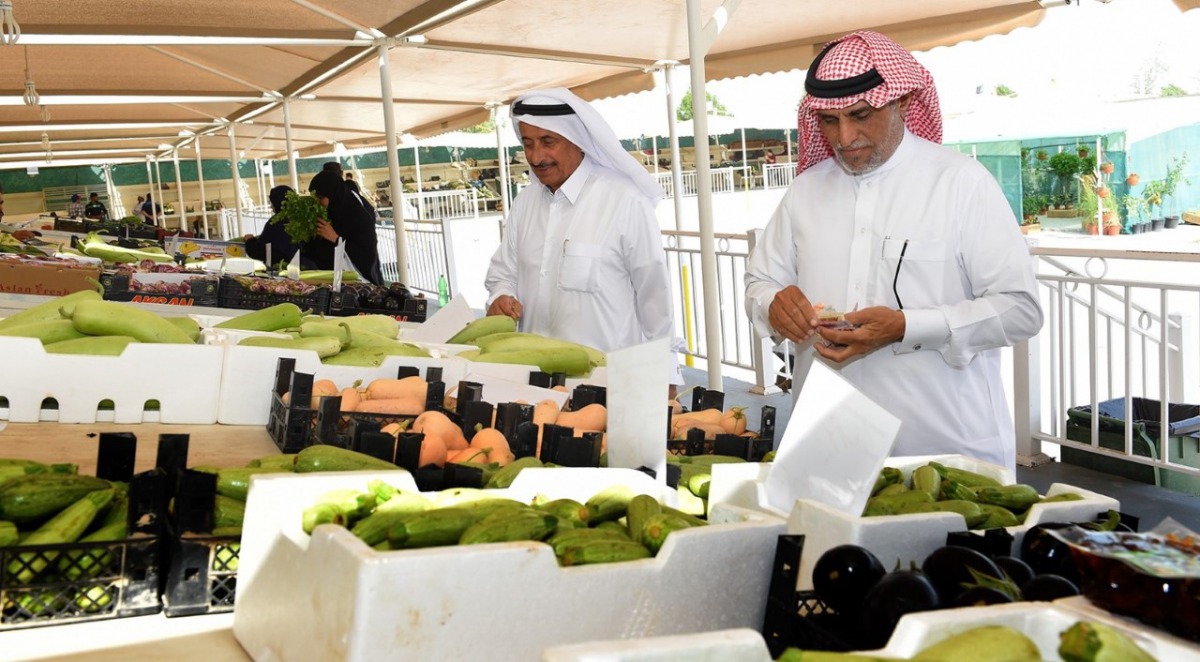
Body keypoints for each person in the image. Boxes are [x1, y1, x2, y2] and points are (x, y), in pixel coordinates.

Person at [743, 30, 1043, 471]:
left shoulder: (961, 183)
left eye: (861, 114)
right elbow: (760, 282)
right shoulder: (805, 191)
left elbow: (1020, 310)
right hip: (831, 447)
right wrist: (772, 304)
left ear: (901, 101)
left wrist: (905, 327)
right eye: (829, 120)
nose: (845, 137)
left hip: (942, 449)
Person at [484, 88, 682, 391]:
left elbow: (654, 297)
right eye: (528, 144)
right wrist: (500, 295)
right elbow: (503, 272)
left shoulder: (625, 201)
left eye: (548, 142)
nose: (537, 157)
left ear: (576, 140)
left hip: (606, 386)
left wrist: (666, 376)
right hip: (534, 384)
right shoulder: (525, 203)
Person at [308, 168, 384, 285]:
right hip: (329, 282)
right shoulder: (329, 215)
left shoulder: (359, 217)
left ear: (332, 194)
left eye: (320, 197)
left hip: (358, 285)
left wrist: (336, 239)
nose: (317, 202)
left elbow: (366, 256)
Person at [242, 185, 318, 269]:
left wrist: (250, 241)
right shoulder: (304, 218)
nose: (271, 207)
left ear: (277, 202)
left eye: (272, 203)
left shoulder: (276, 222)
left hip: (285, 271)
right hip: (309, 268)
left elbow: (260, 251)